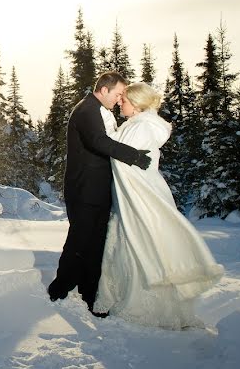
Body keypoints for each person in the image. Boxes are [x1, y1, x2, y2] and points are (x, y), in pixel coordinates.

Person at [94, 82, 224, 329]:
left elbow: (118, 154)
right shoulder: (139, 124)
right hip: (133, 196)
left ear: (137, 103)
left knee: (141, 242)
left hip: (141, 196)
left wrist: (105, 122)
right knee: (134, 242)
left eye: (125, 100)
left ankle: (145, 308)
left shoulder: (142, 126)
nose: (120, 102)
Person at [48, 72, 152, 315]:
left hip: (99, 189)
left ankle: (90, 293)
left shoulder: (100, 110)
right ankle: (59, 289)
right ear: (104, 90)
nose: (119, 100)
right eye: (117, 94)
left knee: (96, 244)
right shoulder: (86, 110)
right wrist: (134, 156)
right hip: (84, 189)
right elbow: (97, 141)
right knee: (80, 240)